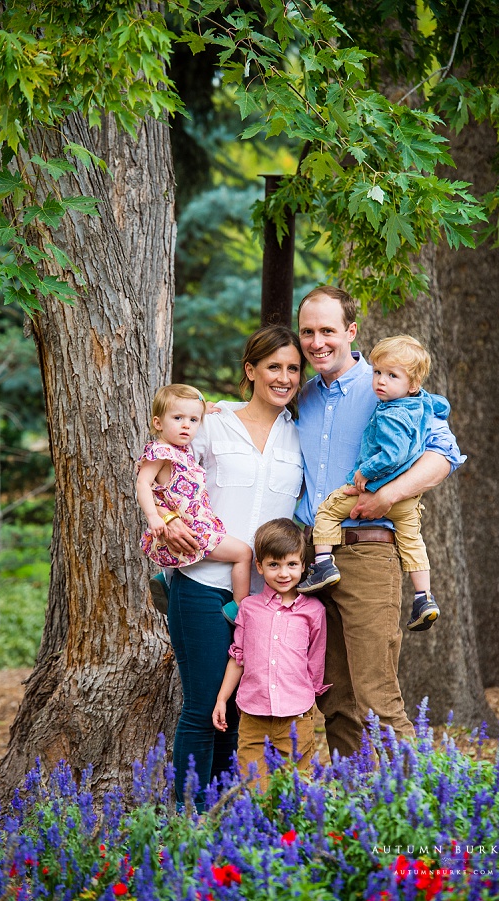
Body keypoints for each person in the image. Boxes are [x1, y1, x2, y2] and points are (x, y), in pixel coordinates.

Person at [295, 286, 466, 759]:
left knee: (376, 694)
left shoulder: (388, 385)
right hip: (312, 560)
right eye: (308, 331)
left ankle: (420, 805)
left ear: (351, 332)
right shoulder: (301, 397)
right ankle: (358, 805)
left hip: (368, 554)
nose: (316, 342)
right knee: (333, 697)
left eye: (328, 330)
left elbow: (445, 455)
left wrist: (386, 495)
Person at [149, 326, 306, 811]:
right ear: (250, 371)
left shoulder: (296, 435)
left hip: (263, 598)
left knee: (238, 710)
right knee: (201, 707)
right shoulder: (212, 424)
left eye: (293, 368)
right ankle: (188, 820)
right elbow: (162, 476)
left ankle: (222, 815)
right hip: (202, 583)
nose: (283, 377)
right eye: (273, 366)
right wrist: (167, 522)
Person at [298, 334, 448, 633]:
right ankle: (424, 596)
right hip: (405, 505)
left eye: (391, 376)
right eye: (378, 372)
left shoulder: (393, 412)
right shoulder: (421, 404)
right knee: (413, 542)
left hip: (373, 493)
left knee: (326, 511)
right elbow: (438, 408)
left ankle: (324, 564)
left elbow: (400, 453)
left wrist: (367, 471)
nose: (379, 381)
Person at [212, 518, 329, 791]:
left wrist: (308, 704)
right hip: (253, 715)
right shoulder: (249, 608)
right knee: (254, 789)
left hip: (296, 714)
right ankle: (259, 831)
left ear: (303, 565)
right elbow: (238, 657)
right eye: (274, 565)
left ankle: (292, 834)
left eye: (291, 564)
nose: (283, 573)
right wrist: (222, 698)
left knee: (296, 787)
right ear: (260, 566)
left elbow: (315, 661)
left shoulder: (313, 611)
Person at [136, 384, 253, 607]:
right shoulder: (161, 452)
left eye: (193, 420)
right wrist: (153, 517)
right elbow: (142, 483)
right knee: (243, 553)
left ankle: (167, 580)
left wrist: (202, 411)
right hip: (193, 528)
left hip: (195, 521)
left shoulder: (181, 449)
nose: (186, 426)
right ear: (158, 423)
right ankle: (241, 608)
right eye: (178, 418)